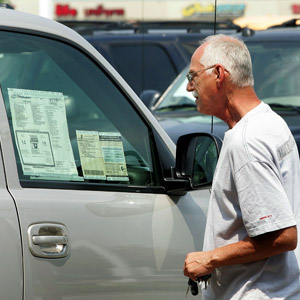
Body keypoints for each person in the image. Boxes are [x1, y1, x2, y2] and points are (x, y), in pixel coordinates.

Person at [183, 34, 300, 299]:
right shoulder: (271, 121)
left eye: (193, 77)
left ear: (219, 74)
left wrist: (209, 259)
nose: (190, 89)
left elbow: (282, 236)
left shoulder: (246, 142)